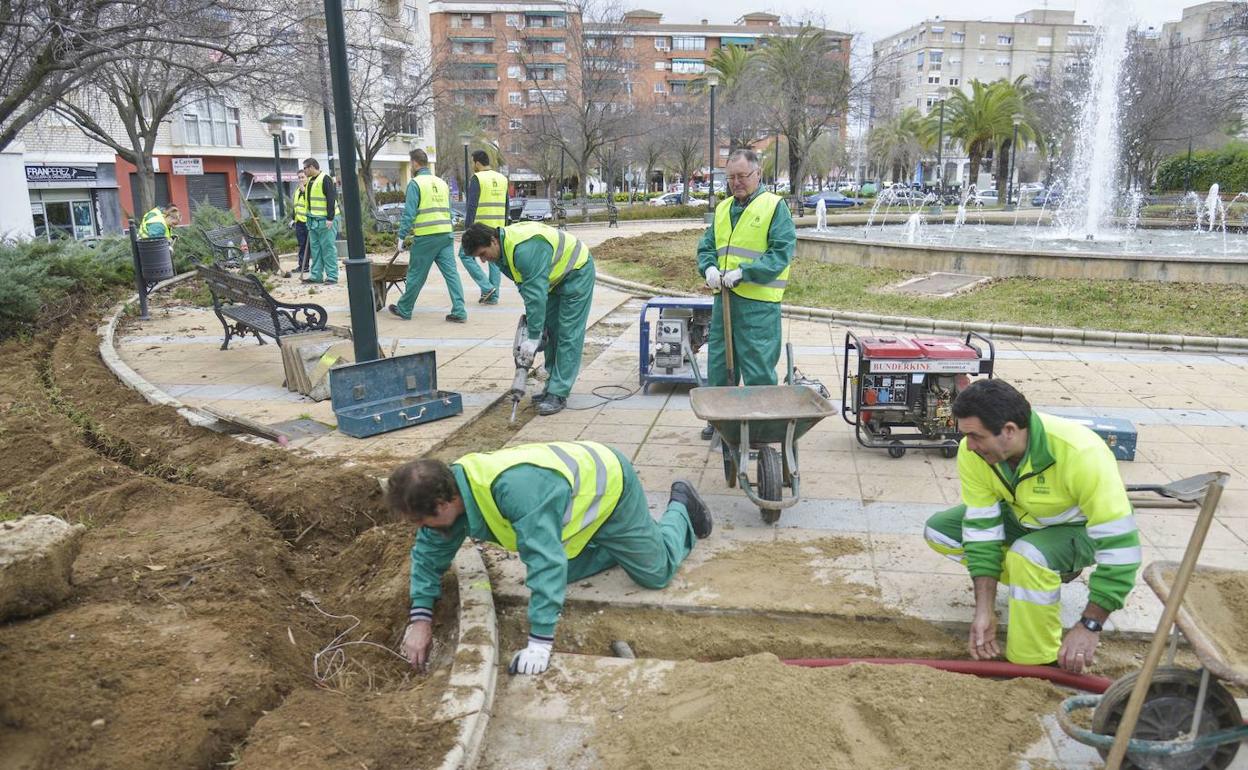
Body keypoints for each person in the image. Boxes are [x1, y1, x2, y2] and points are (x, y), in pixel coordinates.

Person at [388, 442, 713, 675]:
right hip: (568, 510)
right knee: (558, 573)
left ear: (444, 504)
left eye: (420, 521)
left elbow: (544, 562)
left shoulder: (514, 492)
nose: (421, 529)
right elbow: (428, 556)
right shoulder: (452, 491)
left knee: (655, 572)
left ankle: (681, 509)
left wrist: (540, 641)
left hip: (608, 492)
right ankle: (620, 546)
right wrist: (421, 620)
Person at [924, 379, 1140, 673]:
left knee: (1027, 556)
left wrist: (1091, 624)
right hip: (1022, 517)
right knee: (940, 531)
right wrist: (984, 609)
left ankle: (1035, 661)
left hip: (1079, 531)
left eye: (977, 436)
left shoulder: (1080, 454)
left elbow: (1121, 548)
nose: (969, 446)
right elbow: (981, 531)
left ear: (1010, 431)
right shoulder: (973, 454)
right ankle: (1038, 574)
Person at [695, 148, 796, 439]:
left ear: (758, 174)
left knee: (758, 366)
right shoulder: (724, 209)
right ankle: (719, 421)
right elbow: (706, 247)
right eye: (731, 177)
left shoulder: (774, 207)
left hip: (758, 305)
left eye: (742, 176)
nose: (736, 182)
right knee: (719, 362)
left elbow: (780, 253)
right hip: (724, 299)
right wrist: (709, 268)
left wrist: (746, 272)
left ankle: (761, 426)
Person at [460, 221, 595, 416]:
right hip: (553, 280)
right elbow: (527, 290)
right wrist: (536, 329)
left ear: (493, 240)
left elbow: (536, 296)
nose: (483, 260)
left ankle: (558, 392)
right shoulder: (502, 253)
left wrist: (532, 337)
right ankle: (551, 385)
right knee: (549, 332)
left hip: (577, 271)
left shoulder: (524, 250)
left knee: (568, 333)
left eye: (482, 254)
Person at [388, 148, 467, 323]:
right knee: (452, 274)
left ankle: (405, 308)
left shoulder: (415, 184)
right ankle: (460, 311)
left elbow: (409, 214)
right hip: (446, 234)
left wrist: (401, 238)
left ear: (415, 163)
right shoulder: (441, 183)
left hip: (426, 237)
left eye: (410, 163)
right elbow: (448, 210)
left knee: (416, 274)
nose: (410, 166)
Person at [459, 149, 509, 305]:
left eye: (473, 162)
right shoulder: (502, 178)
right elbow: (507, 205)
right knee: (494, 260)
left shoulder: (477, 178)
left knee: (464, 254)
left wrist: (467, 229)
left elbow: (471, 206)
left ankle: (487, 287)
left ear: (477, 162)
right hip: (498, 227)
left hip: (479, 229)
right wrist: (505, 226)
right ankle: (493, 296)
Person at [301, 158, 338, 285]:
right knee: (315, 249)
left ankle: (332, 276)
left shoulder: (325, 179)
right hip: (313, 220)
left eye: (305, 168)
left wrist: (330, 218)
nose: (304, 171)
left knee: (327, 248)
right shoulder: (310, 181)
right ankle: (316, 275)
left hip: (326, 220)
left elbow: (331, 199)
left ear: (311, 167)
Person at [291, 170, 310, 274]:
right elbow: (296, 205)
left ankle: (312, 267)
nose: (301, 179)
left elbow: (309, 202)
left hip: (307, 222)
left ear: (307, 178)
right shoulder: (298, 189)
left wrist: (304, 191)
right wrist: (293, 218)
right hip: (299, 222)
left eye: (302, 177)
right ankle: (303, 266)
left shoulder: (309, 188)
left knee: (310, 246)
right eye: (299, 177)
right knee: (302, 245)